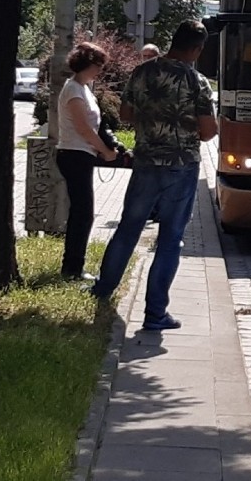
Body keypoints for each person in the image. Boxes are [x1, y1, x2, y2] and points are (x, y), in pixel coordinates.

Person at [90, 20, 217, 331]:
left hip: (145, 162)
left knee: (128, 228)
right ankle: (155, 313)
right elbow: (208, 132)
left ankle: (102, 290)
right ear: (198, 49)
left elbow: (126, 114)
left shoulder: (142, 72)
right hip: (181, 165)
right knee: (171, 239)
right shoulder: (196, 81)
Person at [56, 43, 118, 280]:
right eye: (97, 66)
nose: (100, 71)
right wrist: (104, 151)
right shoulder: (73, 90)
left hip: (81, 155)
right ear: (86, 64)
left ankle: (73, 266)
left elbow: (96, 125)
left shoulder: (84, 88)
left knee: (82, 213)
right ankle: (72, 268)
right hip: (74, 154)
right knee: (82, 214)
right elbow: (83, 128)